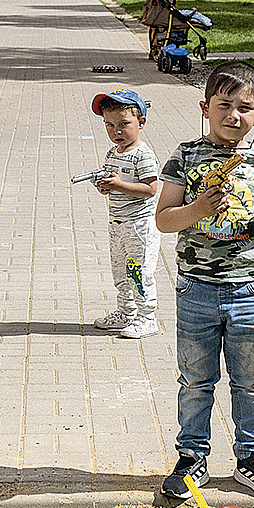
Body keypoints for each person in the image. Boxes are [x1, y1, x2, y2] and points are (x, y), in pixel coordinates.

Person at [155, 62, 254, 504]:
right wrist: (198, 208)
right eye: (224, 105)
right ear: (205, 108)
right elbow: (164, 219)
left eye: (245, 108)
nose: (234, 115)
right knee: (196, 380)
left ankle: (252, 457)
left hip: (249, 287)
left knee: (249, 379)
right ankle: (192, 457)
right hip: (196, 288)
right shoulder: (185, 156)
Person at [88, 89, 162, 338]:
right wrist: (104, 187)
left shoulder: (143, 155)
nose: (116, 131)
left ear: (141, 122)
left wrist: (119, 185)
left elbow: (150, 188)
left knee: (138, 272)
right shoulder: (113, 153)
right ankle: (126, 312)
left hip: (139, 226)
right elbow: (111, 185)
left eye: (123, 124)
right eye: (109, 125)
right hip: (117, 224)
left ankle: (147, 317)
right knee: (120, 272)